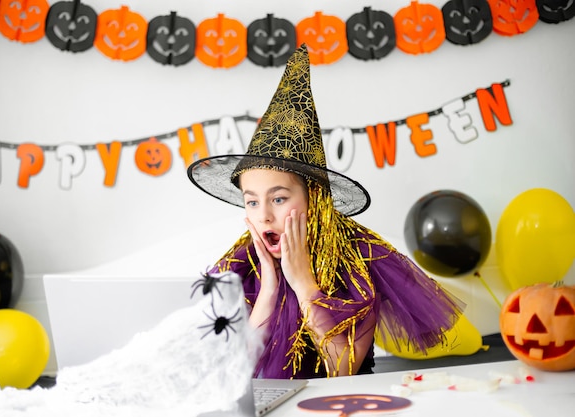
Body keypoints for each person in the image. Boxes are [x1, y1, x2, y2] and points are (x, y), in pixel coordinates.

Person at [187, 44, 464, 379]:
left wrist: (303, 282)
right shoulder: (244, 264)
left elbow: (342, 367)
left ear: (313, 198)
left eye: (278, 199)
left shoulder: (357, 258)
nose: (263, 217)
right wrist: (271, 288)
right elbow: (232, 374)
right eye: (252, 201)